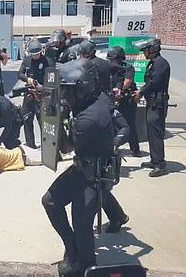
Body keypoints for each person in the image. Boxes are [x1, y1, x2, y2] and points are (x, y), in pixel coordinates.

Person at [41, 58, 125, 276]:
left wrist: (54, 117)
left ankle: (85, 266)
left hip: (95, 175)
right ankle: (71, 247)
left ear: (80, 89)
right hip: (84, 166)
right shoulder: (98, 97)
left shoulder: (87, 119)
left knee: (82, 225)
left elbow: (67, 147)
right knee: (50, 201)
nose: (64, 94)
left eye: (67, 90)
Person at [132, 38, 170, 178]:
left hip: (157, 105)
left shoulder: (160, 64)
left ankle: (160, 164)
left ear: (153, 50)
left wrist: (141, 92)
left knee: (156, 134)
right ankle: (155, 160)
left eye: (146, 50)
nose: (144, 53)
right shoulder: (154, 63)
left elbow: (154, 83)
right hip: (152, 104)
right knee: (151, 134)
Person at [107, 46, 142, 156]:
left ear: (118, 58)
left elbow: (127, 82)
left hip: (127, 101)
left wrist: (120, 90)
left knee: (129, 124)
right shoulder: (111, 69)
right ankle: (114, 146)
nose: (110, 61)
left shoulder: (128, 68)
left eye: (112, 59)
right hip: (113, 99)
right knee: (112, 125)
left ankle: (135, 149)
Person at [17, 39, 49, 148]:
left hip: (42, 94)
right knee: (27, 118)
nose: (35, 56)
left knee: (42, 120)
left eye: (37, 54)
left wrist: (43, 86)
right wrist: (28, 79)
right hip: (29, 93)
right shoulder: (27, 60)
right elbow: (20, 74)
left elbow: (52, 77)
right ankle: (30, 143)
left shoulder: (46, 61)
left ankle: (46, 145)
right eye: (33, 55)